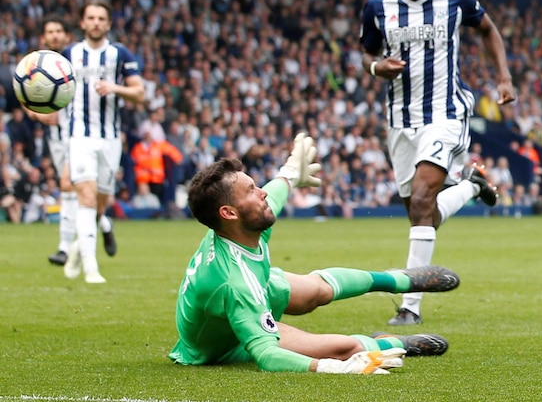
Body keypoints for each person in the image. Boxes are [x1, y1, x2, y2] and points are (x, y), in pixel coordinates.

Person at [170, 134, 457, 373]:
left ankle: (400, 280)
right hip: (227, 341)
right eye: (251, 190)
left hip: (251, 288)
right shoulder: (235, 282)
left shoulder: (240, 225)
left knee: (314, 290)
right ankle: (387, 343)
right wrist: (332, 367)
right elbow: (268, 355)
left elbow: (276, 189)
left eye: (255, 184)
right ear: (228, 212)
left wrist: (292, 170)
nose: (262, 193)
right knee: (344, 349)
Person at [359, 0, 516, 325]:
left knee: (425, 197)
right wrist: (377, 67)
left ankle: (410, 307)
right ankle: (472, 186)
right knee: (419, 212)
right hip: (400, 121)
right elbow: (366, 54)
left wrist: (504, 77)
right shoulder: (378, 6)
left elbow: (489, 31)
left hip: (445, 113)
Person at [62, 0, 146, 283]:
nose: (96, 22)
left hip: (110, 138)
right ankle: (91, 268)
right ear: (82, 23)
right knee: (85, 197)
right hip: (79, 137)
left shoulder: (119, 54)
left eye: (101, 18)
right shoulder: (68, 54)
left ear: (108, 23)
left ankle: (77, 248)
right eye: (90, 18)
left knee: (99, 205)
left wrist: (115, 87)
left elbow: (140, 93)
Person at [21, 17, 116, 265]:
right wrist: (37, 113)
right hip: (57, 138)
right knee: (79, 192)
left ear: (66, 35)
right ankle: (104, 223)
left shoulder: (77, 60)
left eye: (59, 31)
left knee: (67, 184)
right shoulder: (34, 64)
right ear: (44, 37)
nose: (54, 35)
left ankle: (64, 248)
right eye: (50, 31)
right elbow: (25, 93)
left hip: (79, 136)